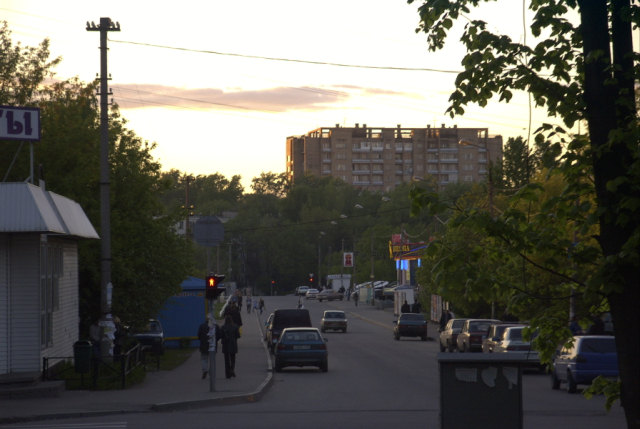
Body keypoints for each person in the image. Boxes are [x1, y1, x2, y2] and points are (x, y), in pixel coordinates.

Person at [220, 314, 240, 378]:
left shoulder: (223, 327)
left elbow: (221, 336)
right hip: (233, 344)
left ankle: (227, 374)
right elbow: (238, 336)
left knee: (226, 360)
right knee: (233, 358)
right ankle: (232, 369)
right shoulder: (235, 326)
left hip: (225, 345)